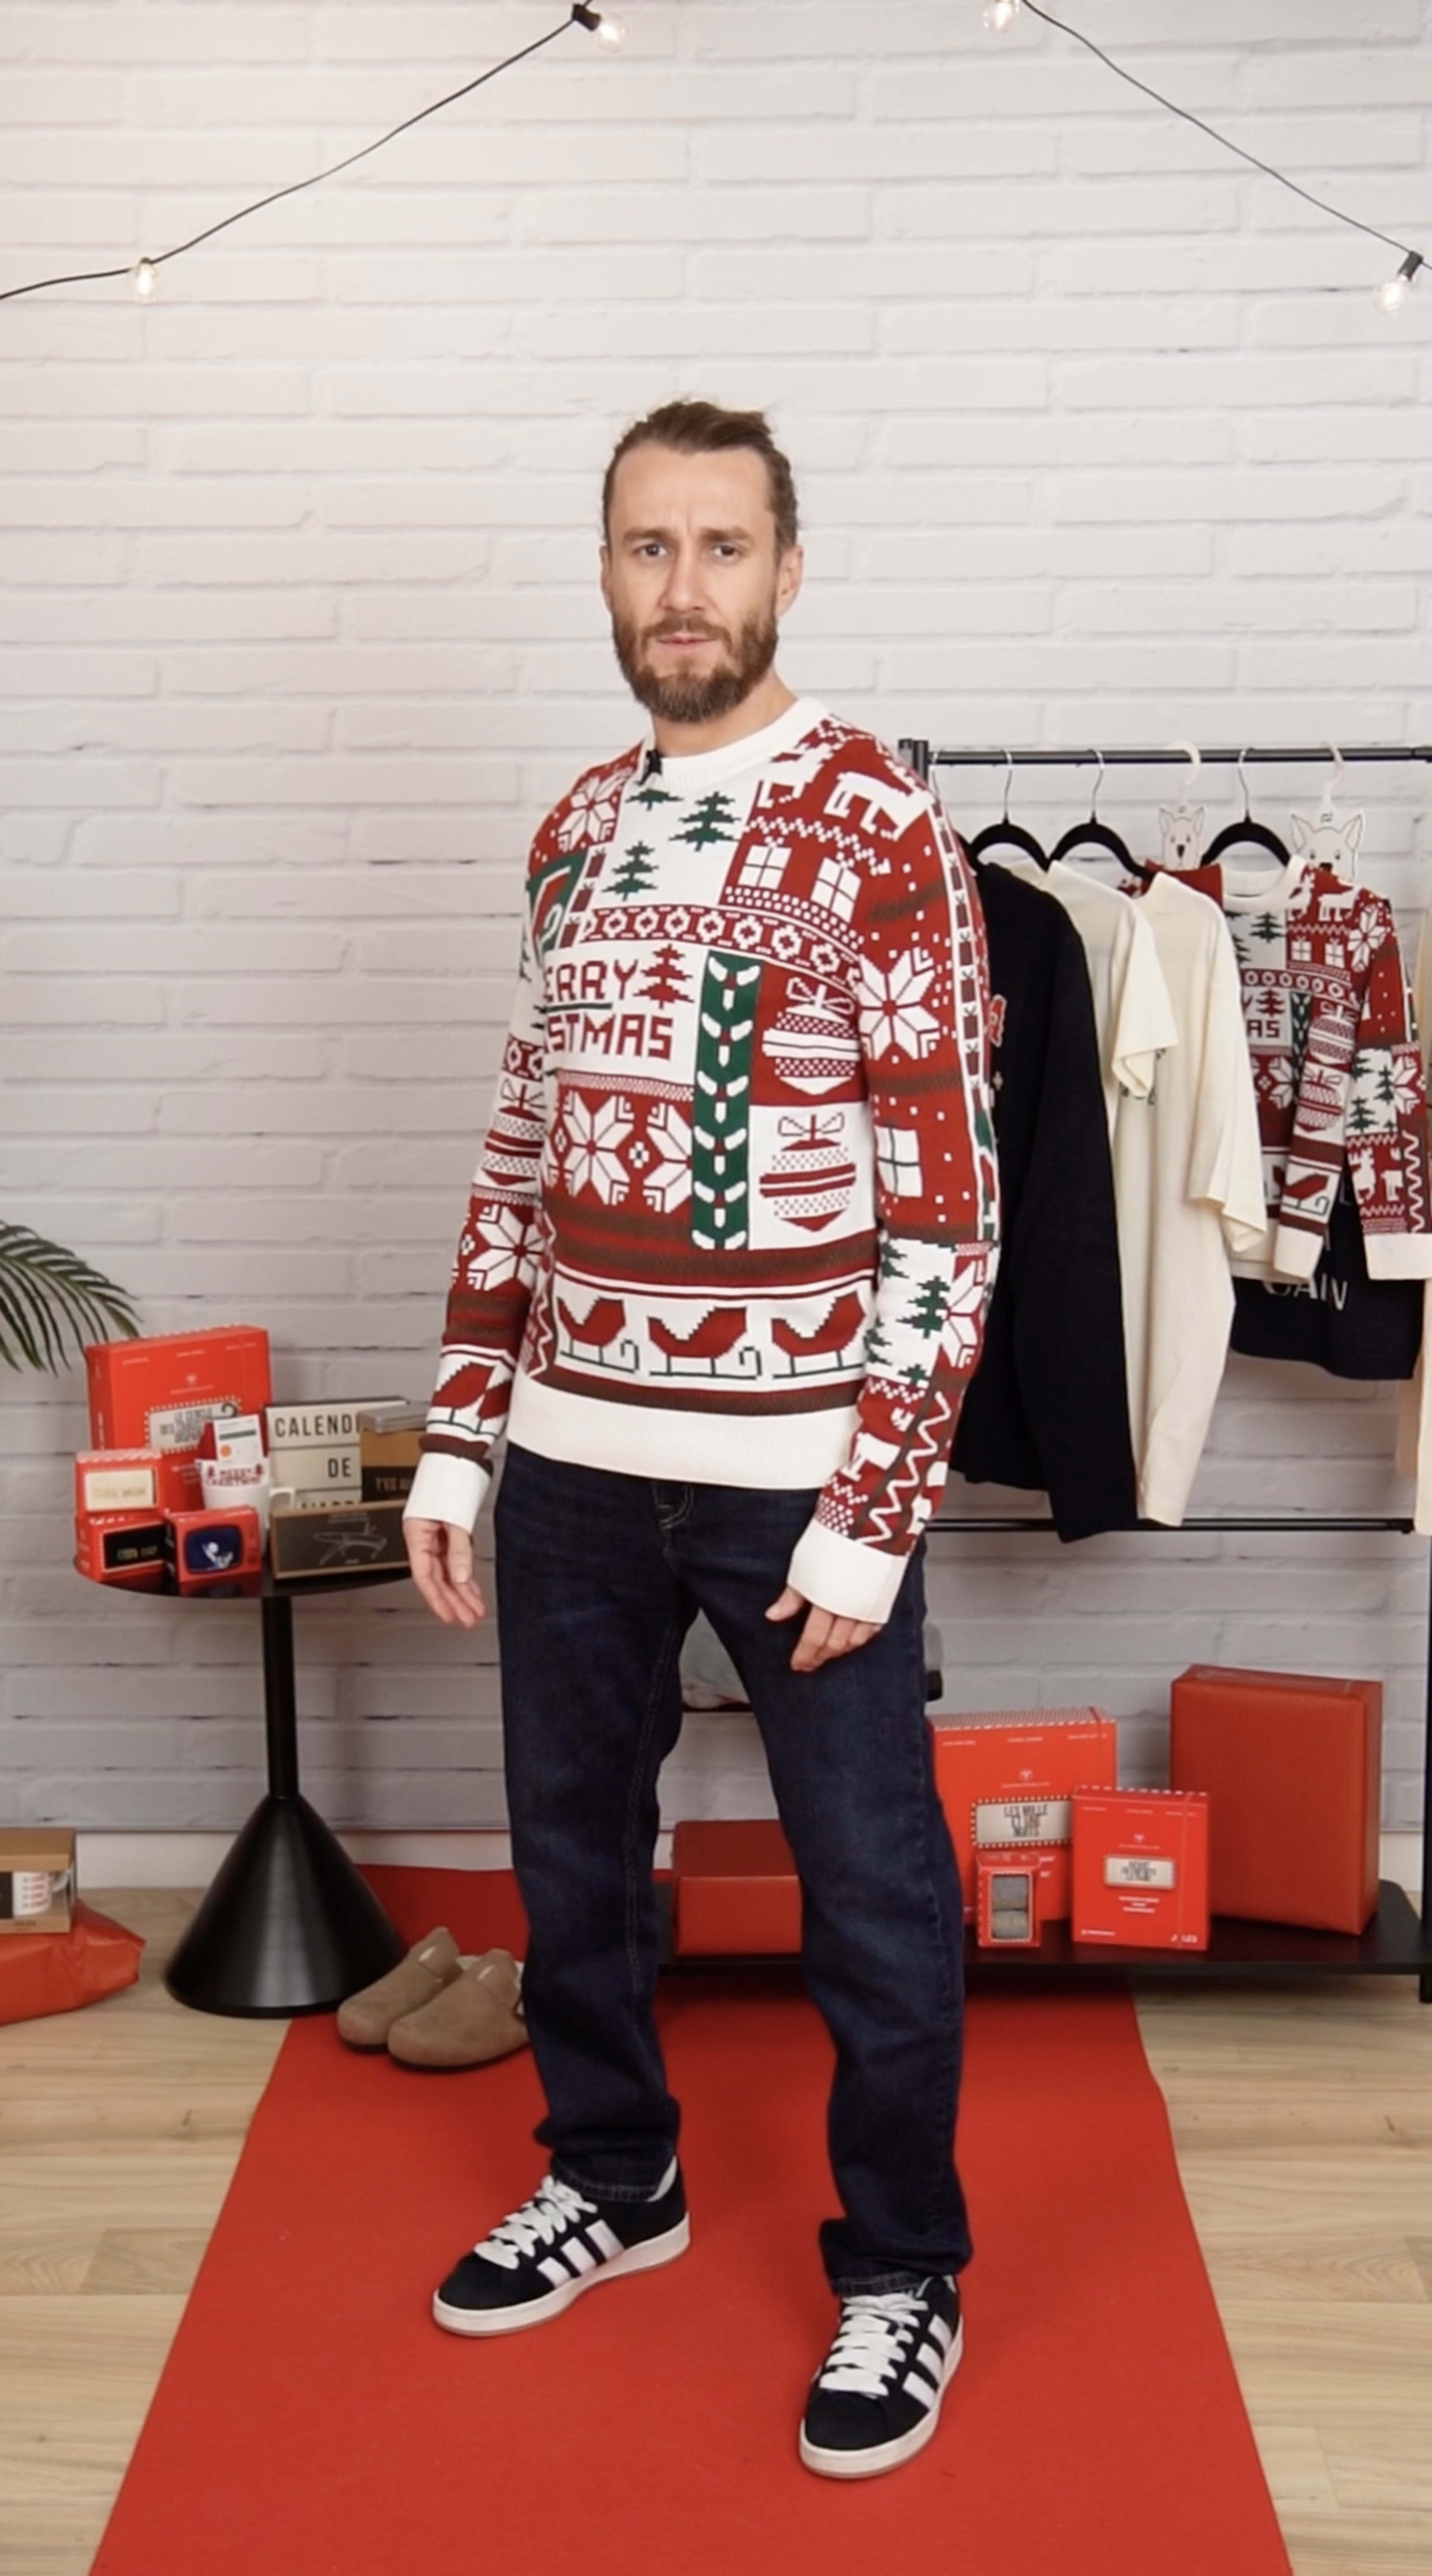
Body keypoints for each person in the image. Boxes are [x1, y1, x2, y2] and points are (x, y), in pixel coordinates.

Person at [402, 398, 999, 2481]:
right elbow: (519, 1154)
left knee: (872, 1890)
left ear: (789, 568)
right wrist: (465, 1432)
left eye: (721, 549)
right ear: (606, 573)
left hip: (794, 1477)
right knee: (576, 1864)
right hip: (572, 1465)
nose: (683, 590)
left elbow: (954, 1206)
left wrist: (872, 1510)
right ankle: (617, 2173)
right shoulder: (573, 827)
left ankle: (905, 2265)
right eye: (647, 549)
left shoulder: (879, 826)